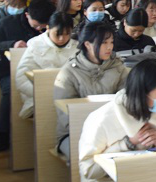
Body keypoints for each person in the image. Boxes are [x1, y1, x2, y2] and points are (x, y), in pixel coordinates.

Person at [0, 0, 55, 151]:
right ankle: (3, 135)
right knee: (10, 90)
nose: (40, 29)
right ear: (27, 15)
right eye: (37, 26)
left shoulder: (53, 24)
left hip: (44, 69)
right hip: (10, 69)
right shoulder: (7, 23)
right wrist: (12, 44)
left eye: (44, 26)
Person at [54, 22, 128, 158]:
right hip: (74, 132)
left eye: (111, 42)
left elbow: (126, 101)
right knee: (86, 155)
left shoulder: (118, 67)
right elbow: (65, 114)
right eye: (104, 43)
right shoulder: (69, 72)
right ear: (87, 44)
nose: (109, 47)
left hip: (112, 130)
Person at [16, 12, 77, 118]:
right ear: (48, 28)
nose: (62, 38)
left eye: (67, 34)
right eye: (57, 34)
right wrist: (41, 93)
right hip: (39, 98)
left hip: (69, 96)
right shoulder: (35, 45)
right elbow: (21, 77)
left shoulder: (76, 48)